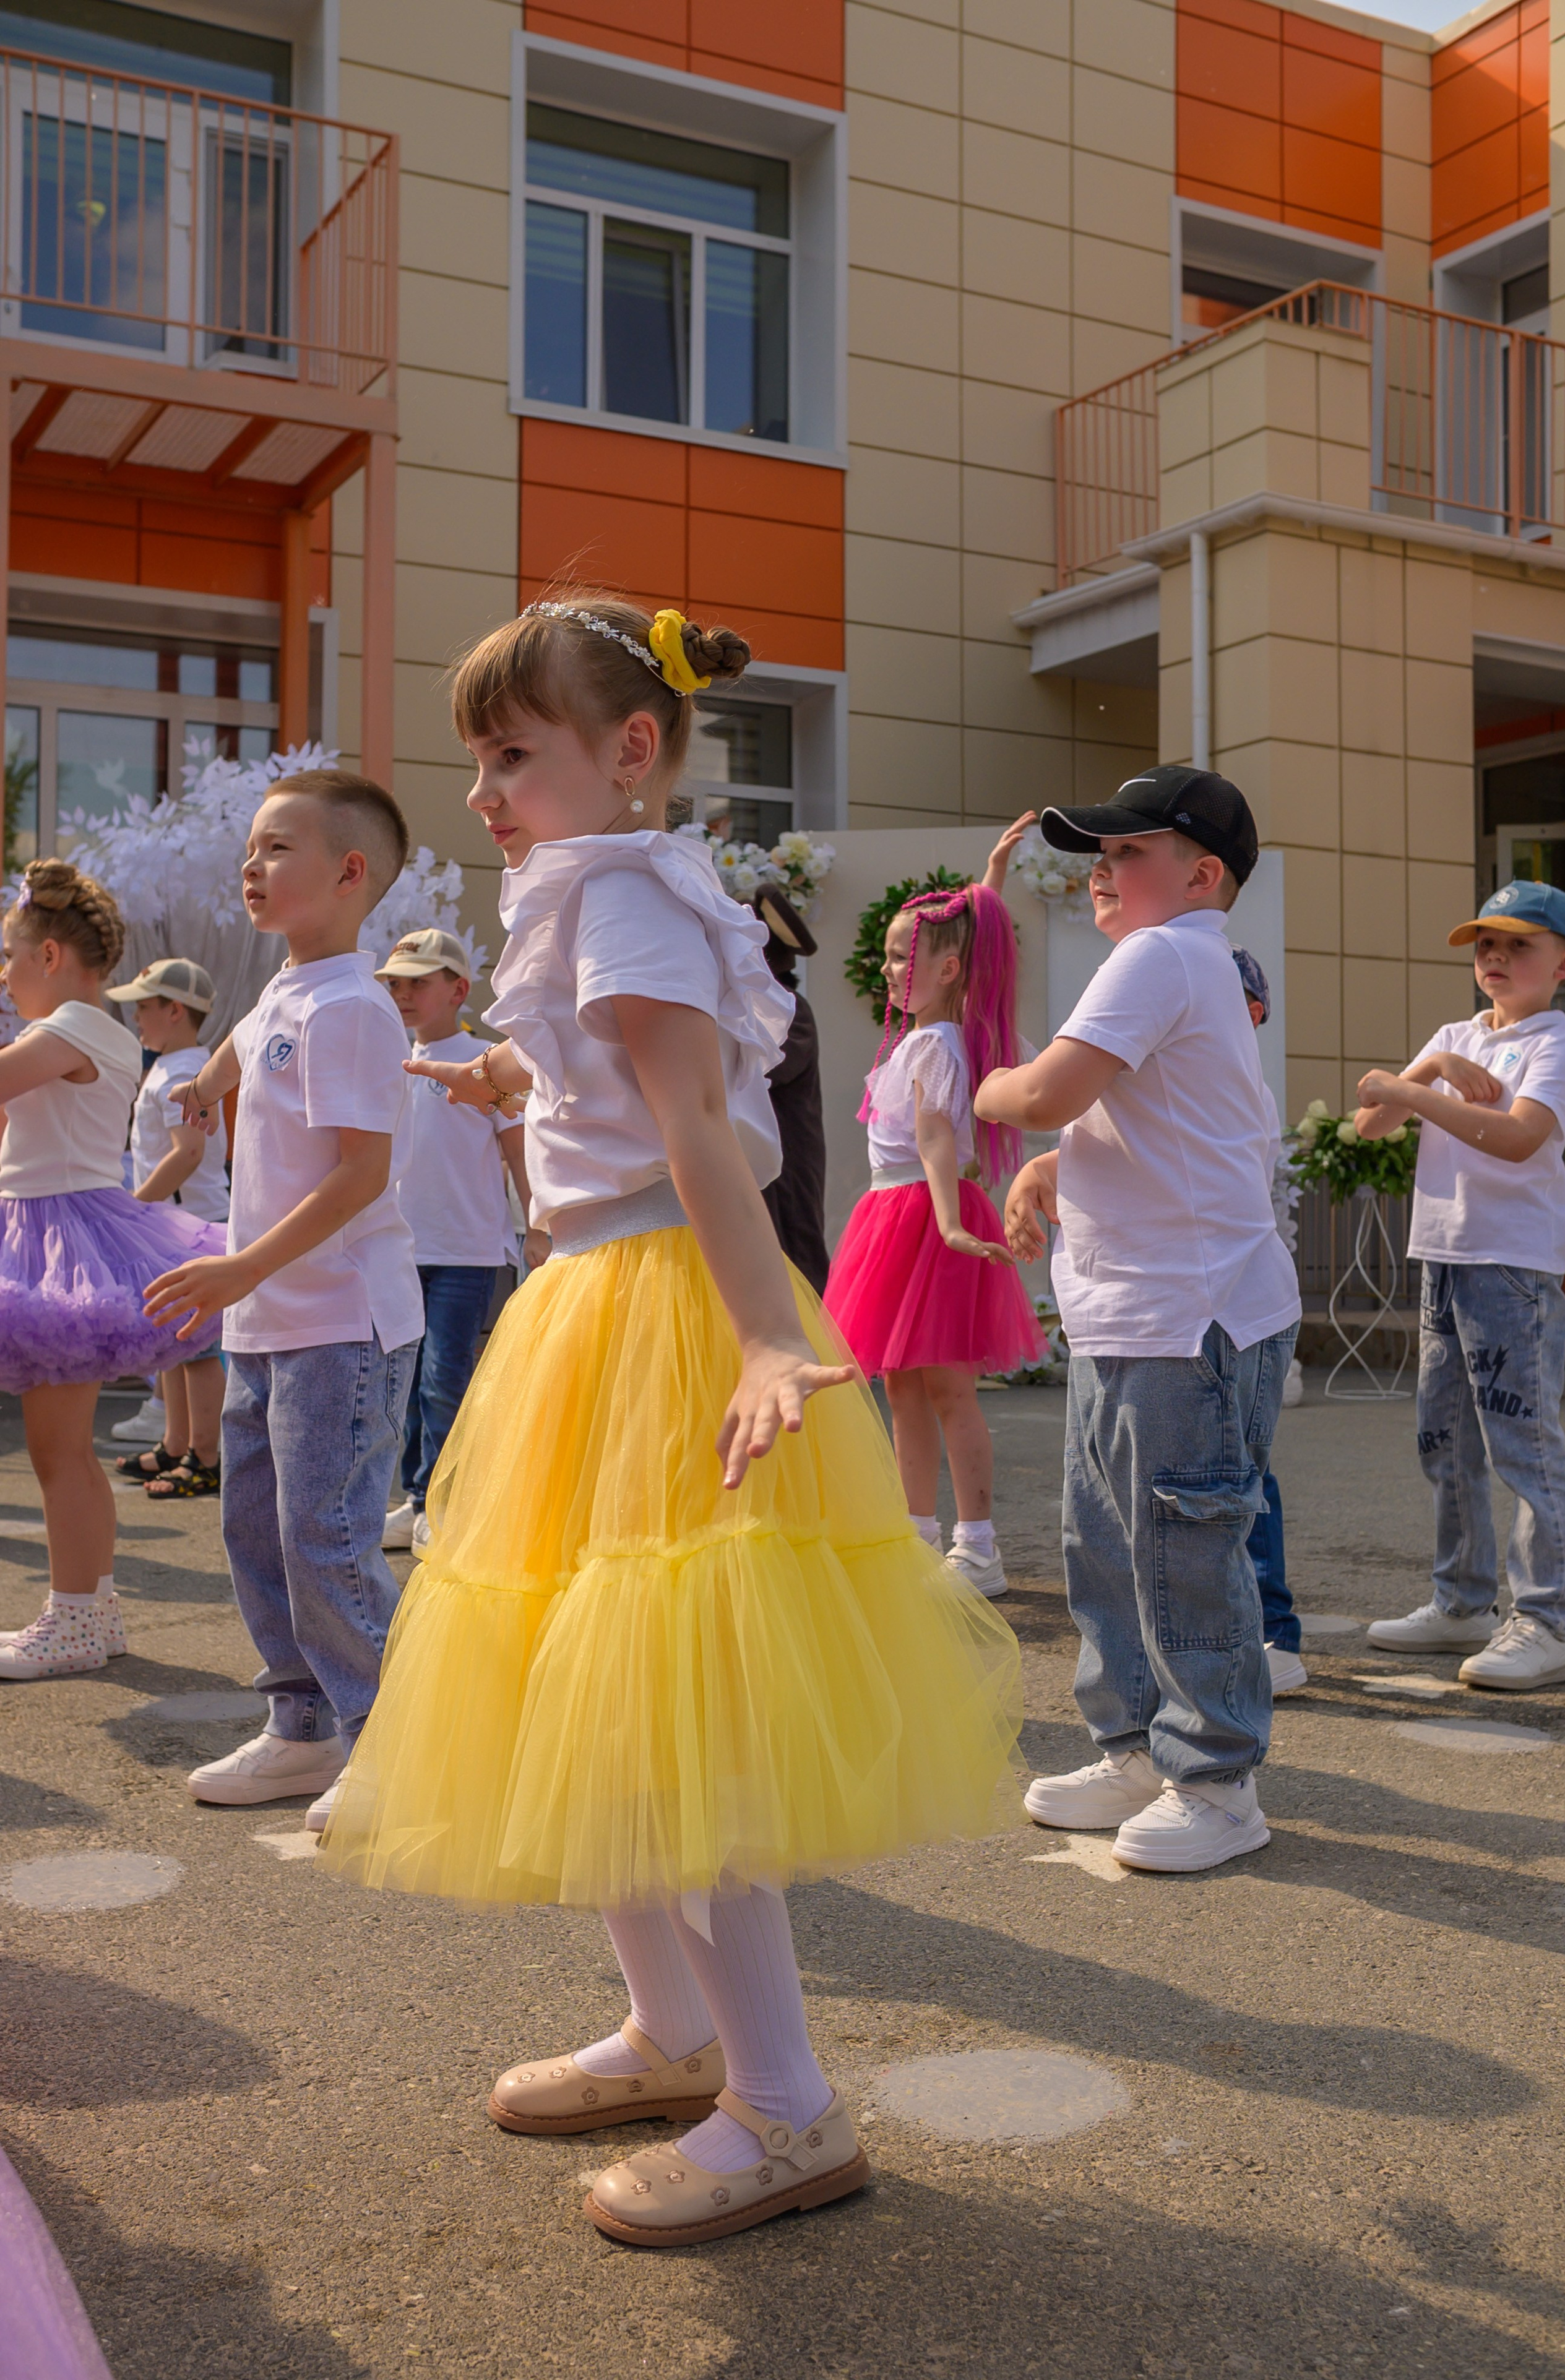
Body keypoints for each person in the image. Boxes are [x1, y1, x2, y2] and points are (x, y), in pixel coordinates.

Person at [316, 593, 1022, 2248]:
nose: (483, 793)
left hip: (660, 1313)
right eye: (475, 758)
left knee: (668, 1701)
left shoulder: (620, 893)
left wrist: (771, 1333)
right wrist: (517, 1082)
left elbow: (701, 1120)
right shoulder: (597, 889)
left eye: (513, 755)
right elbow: (627, 1095)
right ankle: (676, 2032)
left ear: (629, 750)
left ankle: (783, 2101)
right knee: (592, 1688)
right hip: (601, 1303)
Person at [983, 765, 1301, 1873]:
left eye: (1127, 853)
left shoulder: (1162, 955)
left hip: (1186, 1322)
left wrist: (977, 1085)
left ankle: (1216, 1779)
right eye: (1100, 853)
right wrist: (1059, 1164)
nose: (1101, 873)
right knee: (1111, 1544)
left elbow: (1043, 1089)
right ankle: (1134, 1749)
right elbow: (1181, 1125)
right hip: (1142, 1316)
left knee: (1180, 1551)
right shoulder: (1188, 967)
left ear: (1202, 873)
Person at [141, 770, 425, 1816]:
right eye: (250, 850)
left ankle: (394, 1741)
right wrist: (205, 1083)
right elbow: (248, 1037)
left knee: (326, 1541)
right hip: (270, 1322)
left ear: (350, 873)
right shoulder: (288, 989)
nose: (250, 867)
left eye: (274, 848)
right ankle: (301, 1726)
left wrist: (241, 1265)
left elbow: (361, 1174)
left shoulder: (355, 1006)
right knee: (257, 1533)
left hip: (340, 1327)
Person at [1354, 881, 1565, 1691]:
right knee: (1443, 1438)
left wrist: (1409, 1086)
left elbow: (1520, 1137)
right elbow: (1368, 1121)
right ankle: (1462, 1600)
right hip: (1445, 1258)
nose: (1495, 956)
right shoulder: (1457, 1036)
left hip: (1512, 1268)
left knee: (1523, 1443)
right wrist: (1433, 1065)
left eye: (1518, 944)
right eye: (1485, 942)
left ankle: (1548, 1617)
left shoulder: (1558, 1045)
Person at [0, 861, 225, 1680]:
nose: (6, 972)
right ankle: (89, 1609)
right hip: (50, 1225)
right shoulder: (78, 1030)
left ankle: (76, 1618)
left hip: (58, 1232)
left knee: (59, 1450)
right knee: (65, 1450)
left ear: (52, 955)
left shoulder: (74, 1026)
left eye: (11, 955)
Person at [824, 872, 1046, 1599]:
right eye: (888, 956)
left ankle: (974, 1549)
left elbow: (934, 1140)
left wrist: (948, 1223)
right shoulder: (940, 1036)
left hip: (922, 1218)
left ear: (946, 970)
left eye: (899, 957)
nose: (887, 969)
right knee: (909, 1392)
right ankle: (919, 1537)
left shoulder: (930, 1046)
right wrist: (990, 879)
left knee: (946, 1390)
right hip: (904, 1216)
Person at [376, 926, 540, 1555]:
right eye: (395, 983)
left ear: (458, 989)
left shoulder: (486, 1062)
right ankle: (419, 1498)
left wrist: (537, 1227)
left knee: (446, 1377)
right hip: (399, 1250)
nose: (405, 994)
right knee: (406, 1380)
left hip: (467, 1253)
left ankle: (444, 1504)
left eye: (420, 982)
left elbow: (518, 1147)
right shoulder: (388, 1064)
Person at [105, 956, 230, 1500]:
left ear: (175, 1010)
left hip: (188, 1225)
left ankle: (206, 1455)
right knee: (176, 1343)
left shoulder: (182, 1071)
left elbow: (189, 1152)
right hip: (175, 1223)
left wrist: (134, 1206)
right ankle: (178, 1444)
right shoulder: (173, 1063)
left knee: (196, 1346)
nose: (136, 1015)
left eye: (145, 1005)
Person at [1230, 944, 1306, 1698]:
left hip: (1240, 1307)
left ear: (1253, 1013)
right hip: (1203, 1307)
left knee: (1243, 1474)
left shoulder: (1242, 1090)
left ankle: (1272, 1630)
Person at [751, 885, 830, 1294]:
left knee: (795, 1269)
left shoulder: (790, 1009)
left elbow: (757, 1070)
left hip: (786, 1170)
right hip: (758, 1168)